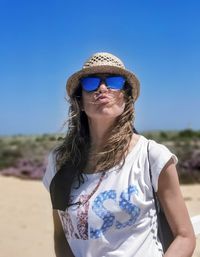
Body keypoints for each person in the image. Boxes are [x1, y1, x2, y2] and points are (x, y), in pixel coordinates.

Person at [43, 52, 196, 257]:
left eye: (114, 82)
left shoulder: (152, 157)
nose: (102, 88)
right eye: (91, 83)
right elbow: (61, 234)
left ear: (126, 97)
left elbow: (185, 236)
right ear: (79, 101)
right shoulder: (60, 162)